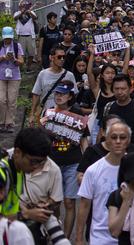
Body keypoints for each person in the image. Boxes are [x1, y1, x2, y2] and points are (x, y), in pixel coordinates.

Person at [45, 81, 90, 240]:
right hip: (52, 163)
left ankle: (64, 238)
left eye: (63, 94)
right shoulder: (49, 112)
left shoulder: (78, 114)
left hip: (73, 162)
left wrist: (85, 163)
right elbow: (42, 137)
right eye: (57, 94)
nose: (59, 97)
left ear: (70, 96)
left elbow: (84, 139)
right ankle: (55, 230)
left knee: (69, 202)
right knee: (54, 202)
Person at [75, 121, 132, 245]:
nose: (118, 141)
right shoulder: (93, 171)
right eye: (113, 137)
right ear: (106, 138)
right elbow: (84, 205)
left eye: (122, 137)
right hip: (100, 237)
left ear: (128, 140)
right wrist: (79, 238)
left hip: (131, 237)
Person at [104, 74, 134, 146]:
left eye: (123, 89)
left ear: (130, 89)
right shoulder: (108, 107)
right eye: (116, 89)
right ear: (112, 89)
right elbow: (103, 130)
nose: (119, 92)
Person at [0, 27, 25, 133]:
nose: (7, 40)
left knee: (12, 100)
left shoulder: (16, 46)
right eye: (6, 38)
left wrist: (14, 59)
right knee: (1, 100)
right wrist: (2, 58)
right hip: (1, 76)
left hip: (14, 76)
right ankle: (2, 122)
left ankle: (9, 123)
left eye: (9, 38)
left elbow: (21, 61)